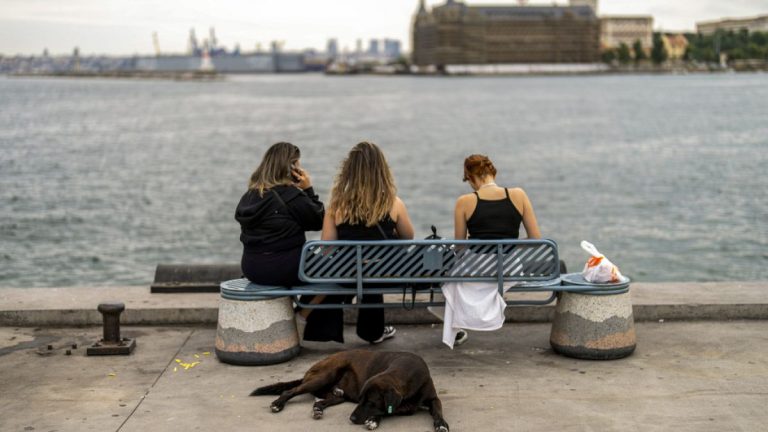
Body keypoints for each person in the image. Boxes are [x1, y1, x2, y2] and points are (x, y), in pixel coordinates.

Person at [435, 154, 541, 348]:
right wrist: (506, 246)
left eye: (469, 181)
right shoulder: (518, 195)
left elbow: (459, 246)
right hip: (509, 268)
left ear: (470, 176)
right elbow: (535, 238)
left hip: (476, 269)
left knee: (441, 284)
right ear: (493, 172)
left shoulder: (464, 202)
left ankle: (457, 328)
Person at [314, 141, 415, 344]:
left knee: (362, 269)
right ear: (382, 170)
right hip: (385, 271)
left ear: (348, 171)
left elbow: (326, 247)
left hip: (348, 272)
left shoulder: (337, 205)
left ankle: (370, 330)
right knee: (374, 270)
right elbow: (408, 237)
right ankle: (372, 331)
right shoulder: (394, 203)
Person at [234, 141, 325, 329]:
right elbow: (318, 221)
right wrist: (308, 190)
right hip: (285, 268)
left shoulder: (249, 196)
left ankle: (288, 315)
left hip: (252, 268)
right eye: (298, 164)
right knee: (335, 270)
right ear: (291, 168)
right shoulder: (291, 195)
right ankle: (302, 317)